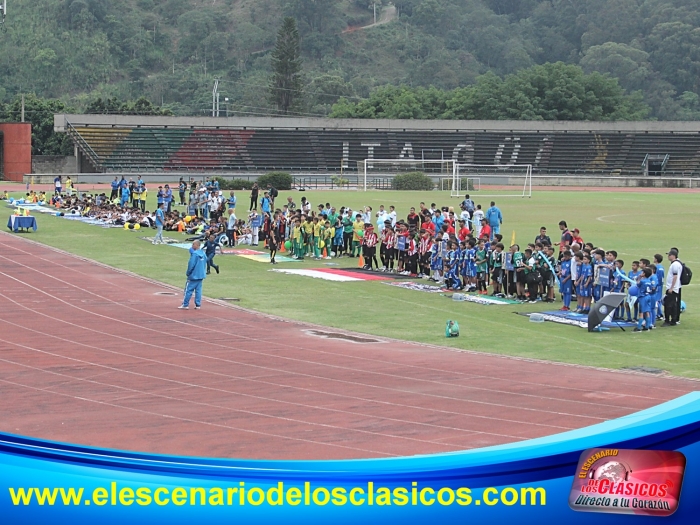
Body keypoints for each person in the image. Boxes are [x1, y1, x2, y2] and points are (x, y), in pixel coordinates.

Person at [179, 240, 207, 310]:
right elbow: (205, 261)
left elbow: (191, 265)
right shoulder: (203, 253)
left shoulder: (195, 254)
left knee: (188, 290)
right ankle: (198, 305)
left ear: (197, 245)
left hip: (193, 275)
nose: (192, 246)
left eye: (193, 244)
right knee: (198, 291)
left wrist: (188, 273)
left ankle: (185, 304)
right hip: (201, 275)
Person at [664, 249, 682, 326]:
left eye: (669, 255)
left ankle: (669, 320)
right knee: (673, 304)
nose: (668, 256)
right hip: (674, 287)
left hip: (672, 288)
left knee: (669, 304)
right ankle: (673, 320)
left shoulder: (675, 265)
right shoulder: (677, 263)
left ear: (673, 256)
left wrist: (671, 288)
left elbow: (675, 276)